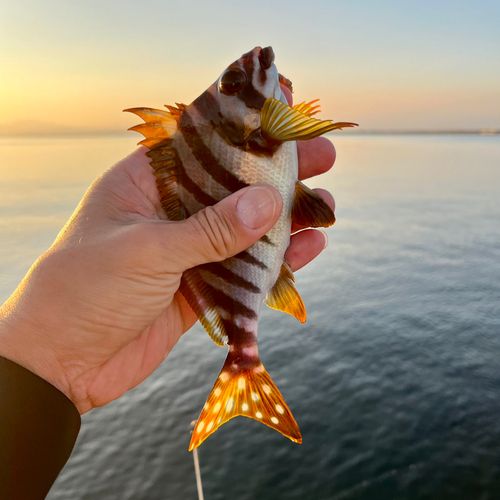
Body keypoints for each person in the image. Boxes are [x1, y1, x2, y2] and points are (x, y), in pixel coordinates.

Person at [0, 86, 336, 499]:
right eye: (233, 84)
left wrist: (43, 363)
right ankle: (243, 368)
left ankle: (242, 367)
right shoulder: (261, 128)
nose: (258, 61)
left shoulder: (247, 129)